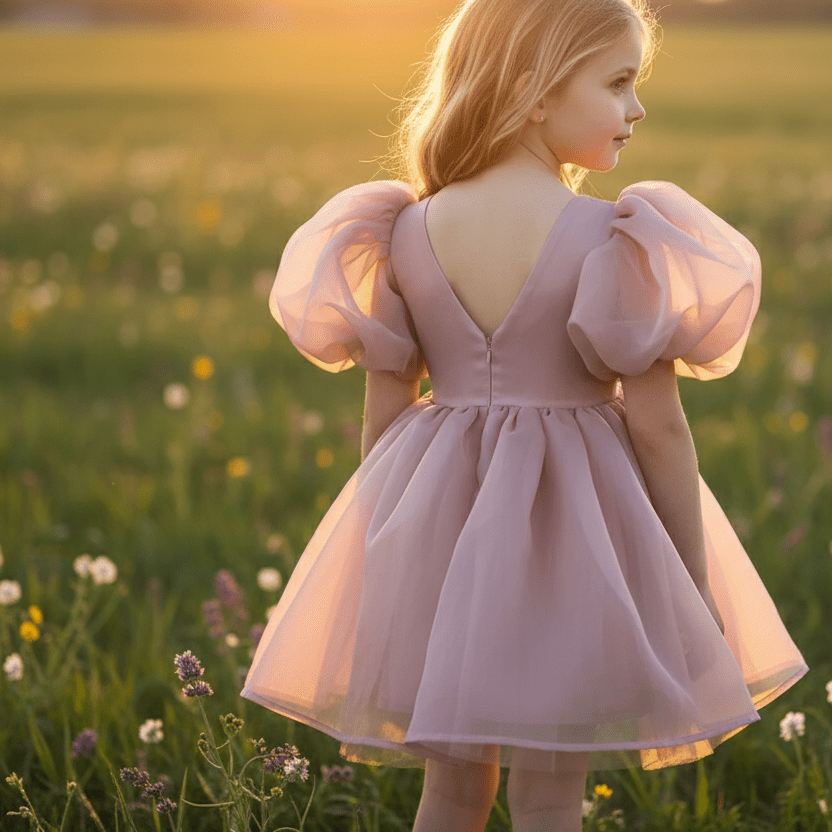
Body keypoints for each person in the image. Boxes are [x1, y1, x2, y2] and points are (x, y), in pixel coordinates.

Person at [242, 0, 808, 829]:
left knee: (452, 790)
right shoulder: (617, 238)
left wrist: (379, 574)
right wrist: (690, 589)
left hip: (439, 526)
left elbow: (383, 424)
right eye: (618, 84)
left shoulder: (399, 230)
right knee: (551, 795)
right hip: (576, 541)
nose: (636, 110)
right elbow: (659, 430)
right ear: (536, 89)